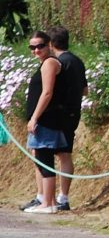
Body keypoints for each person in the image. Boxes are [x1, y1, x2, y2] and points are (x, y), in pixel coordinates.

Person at [22, 30, 66, 214]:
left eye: (40, 46)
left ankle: (48, 203)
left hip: (46, 119)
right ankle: (48, 201)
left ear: (49, 44)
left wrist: (34, 117)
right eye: (32, 47)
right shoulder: (46, 63)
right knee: (41, 157)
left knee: (44, 157)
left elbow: (47, 92)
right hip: (45, 120)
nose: (36, 50)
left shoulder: (49, 63)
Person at [48, 26, 86, 212]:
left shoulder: (58, 63)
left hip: (60, 113)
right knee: (66, 154)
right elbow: (85, 90)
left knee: (46, 153)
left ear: (51, 43)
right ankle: (64, 196)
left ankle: (49, 197)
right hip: (74, 112)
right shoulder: (78, 61)